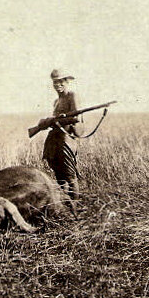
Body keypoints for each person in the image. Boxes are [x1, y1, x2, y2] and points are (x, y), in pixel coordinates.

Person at [39, 69, 82, 207]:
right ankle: (65, 206)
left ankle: (74, 207)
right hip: (55, 139)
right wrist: (48, 122)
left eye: (61, 81)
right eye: (55, 82)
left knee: (70, 175)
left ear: (67, 82)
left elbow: (76, 118)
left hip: (66, 140)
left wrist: (58, 120)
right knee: (59, 176)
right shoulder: (57, 101)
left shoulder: (72, 96)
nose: (58, 85)